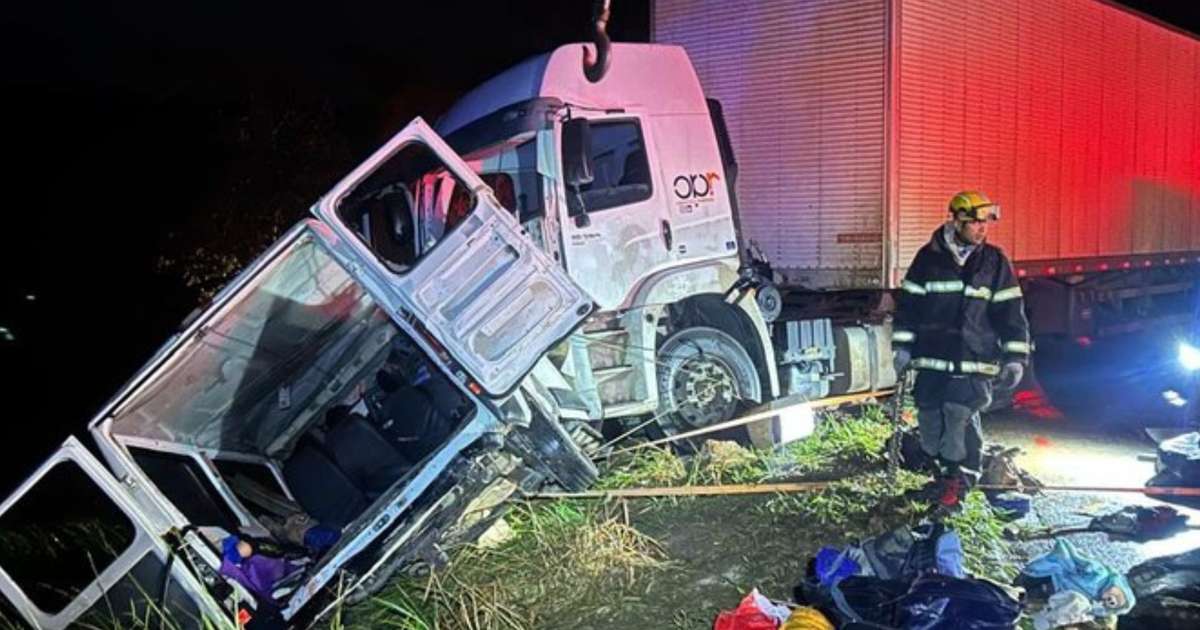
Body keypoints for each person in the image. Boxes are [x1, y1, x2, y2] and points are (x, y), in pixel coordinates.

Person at [891, 191, 1031, 508]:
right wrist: (902, 348)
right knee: (930, 424)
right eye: (975, 223)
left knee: (959, 420)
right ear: (956, 221)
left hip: (973, 361)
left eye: (985, 223)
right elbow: (908, 308)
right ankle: (941, 482)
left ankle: (960, 486)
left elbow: (1011, 312)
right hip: (932, 361)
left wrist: (1015, 358)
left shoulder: (994, 262)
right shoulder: (928, 259)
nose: (982, 230)